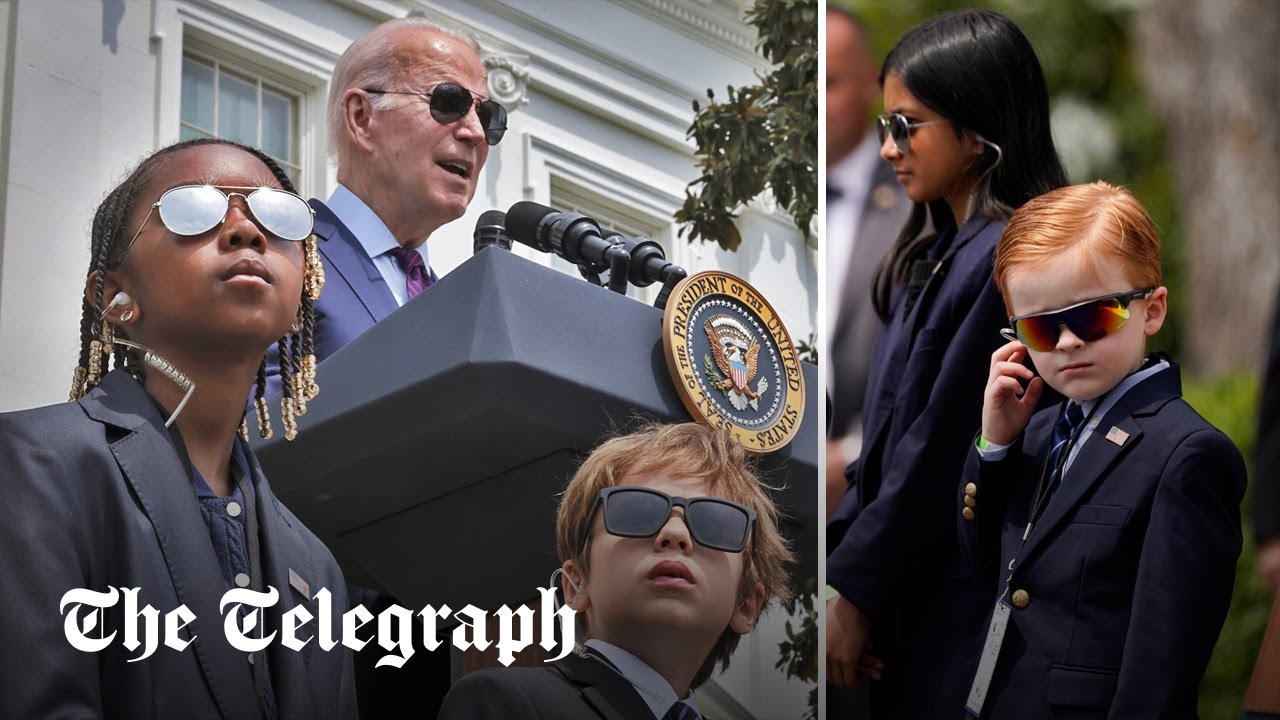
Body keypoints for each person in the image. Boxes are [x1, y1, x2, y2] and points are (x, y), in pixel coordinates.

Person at [0, 137, 356, 719]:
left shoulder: (316, 570)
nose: (247, 231)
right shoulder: (31, 467)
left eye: (279, 215)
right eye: (193, 210)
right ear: (113, 296)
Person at [825, 9, 1068, 717]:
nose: (889, 148)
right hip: (906, 592)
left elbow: (938, 447)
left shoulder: (1007, 259)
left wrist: (860, 588)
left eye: (908, 125)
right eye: (884, 126)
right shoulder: (929, 253)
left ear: (977, 128)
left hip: (958, 596)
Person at [959, 181, 1244, 716]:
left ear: (1152, 310)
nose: (1067, 342)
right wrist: (994, 445)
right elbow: (985, 568)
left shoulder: (1187, 454)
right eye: (1041, 328)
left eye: (1093, 316)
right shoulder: (1037, 434)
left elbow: (1160, 666)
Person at [436, 423, 794, 719]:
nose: (674, 534)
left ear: (747, 603)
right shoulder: (505, 704)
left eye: (715, 523)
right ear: (576, 583)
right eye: (636, 512)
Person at [265, 15, 506, 392]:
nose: (475, 132)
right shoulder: (276, 251)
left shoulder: (458, 309)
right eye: (448, 102)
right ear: (362, 118)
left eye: (487, 115)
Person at [824, 7, 912, 519]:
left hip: (867, 492)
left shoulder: (916, 206)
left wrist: (854, 454)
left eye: (830, 83)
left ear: (870, 86)